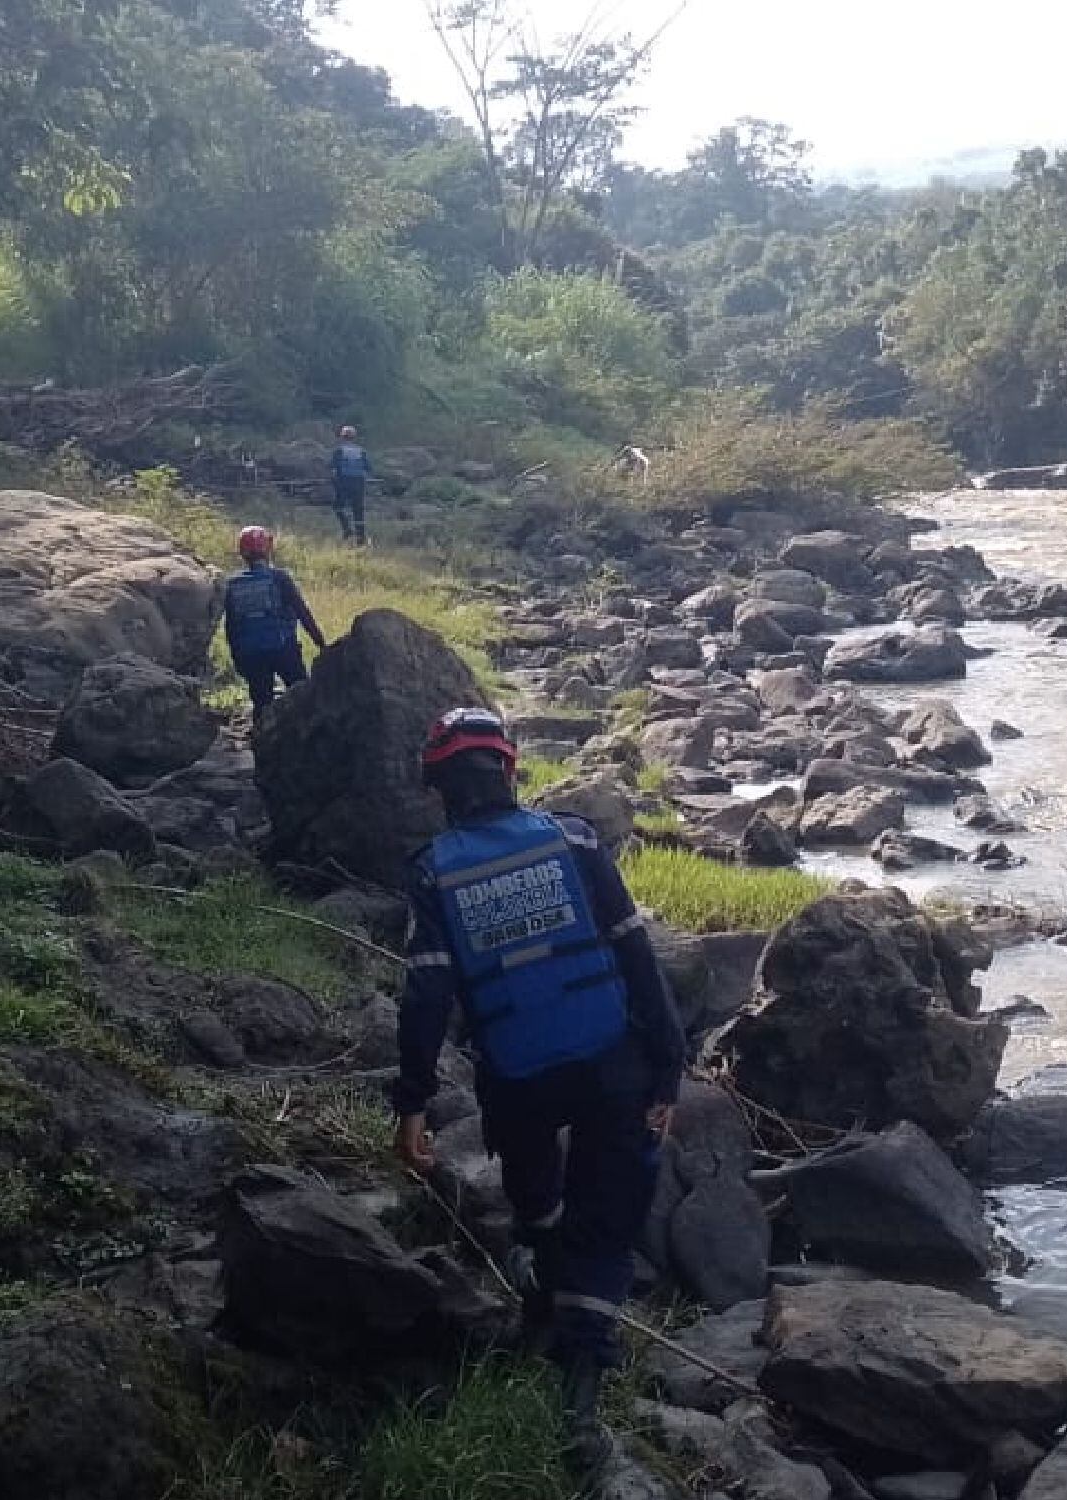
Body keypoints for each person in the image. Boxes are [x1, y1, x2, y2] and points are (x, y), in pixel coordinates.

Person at [393, 708, 684, 1476]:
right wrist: (668, 1062)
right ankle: (581, 1395)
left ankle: (545, 1298)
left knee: (538, 1202)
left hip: (516, 1076)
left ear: (440, 789)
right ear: (510, 771)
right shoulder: (576, 839)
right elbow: (633, 951)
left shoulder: (431, 871)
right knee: (606, 1218)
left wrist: (412, 1102)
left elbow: (426, 996)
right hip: (610, 1061)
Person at [222, 526, 326, 715]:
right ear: (268, 549)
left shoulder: (232, 585)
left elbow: (231, 626)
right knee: (302, 695)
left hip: (250, 653)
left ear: (242, 553)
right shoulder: (279, 578)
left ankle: (260, 739)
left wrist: (237, 656)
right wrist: (321, 643)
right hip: (283, 648)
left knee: (262, 703)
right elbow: (302, 612)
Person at [330, 424, 373, 546]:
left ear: (342, 437)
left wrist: (334, 483)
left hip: (343, 482)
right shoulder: (361, 451)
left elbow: (333, 470)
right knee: (358, 510)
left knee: (338, 507)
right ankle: (361, 538)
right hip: (359, 483)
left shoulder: (339, 451)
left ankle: (347, 529)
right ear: (354, 437)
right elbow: (368, 468)